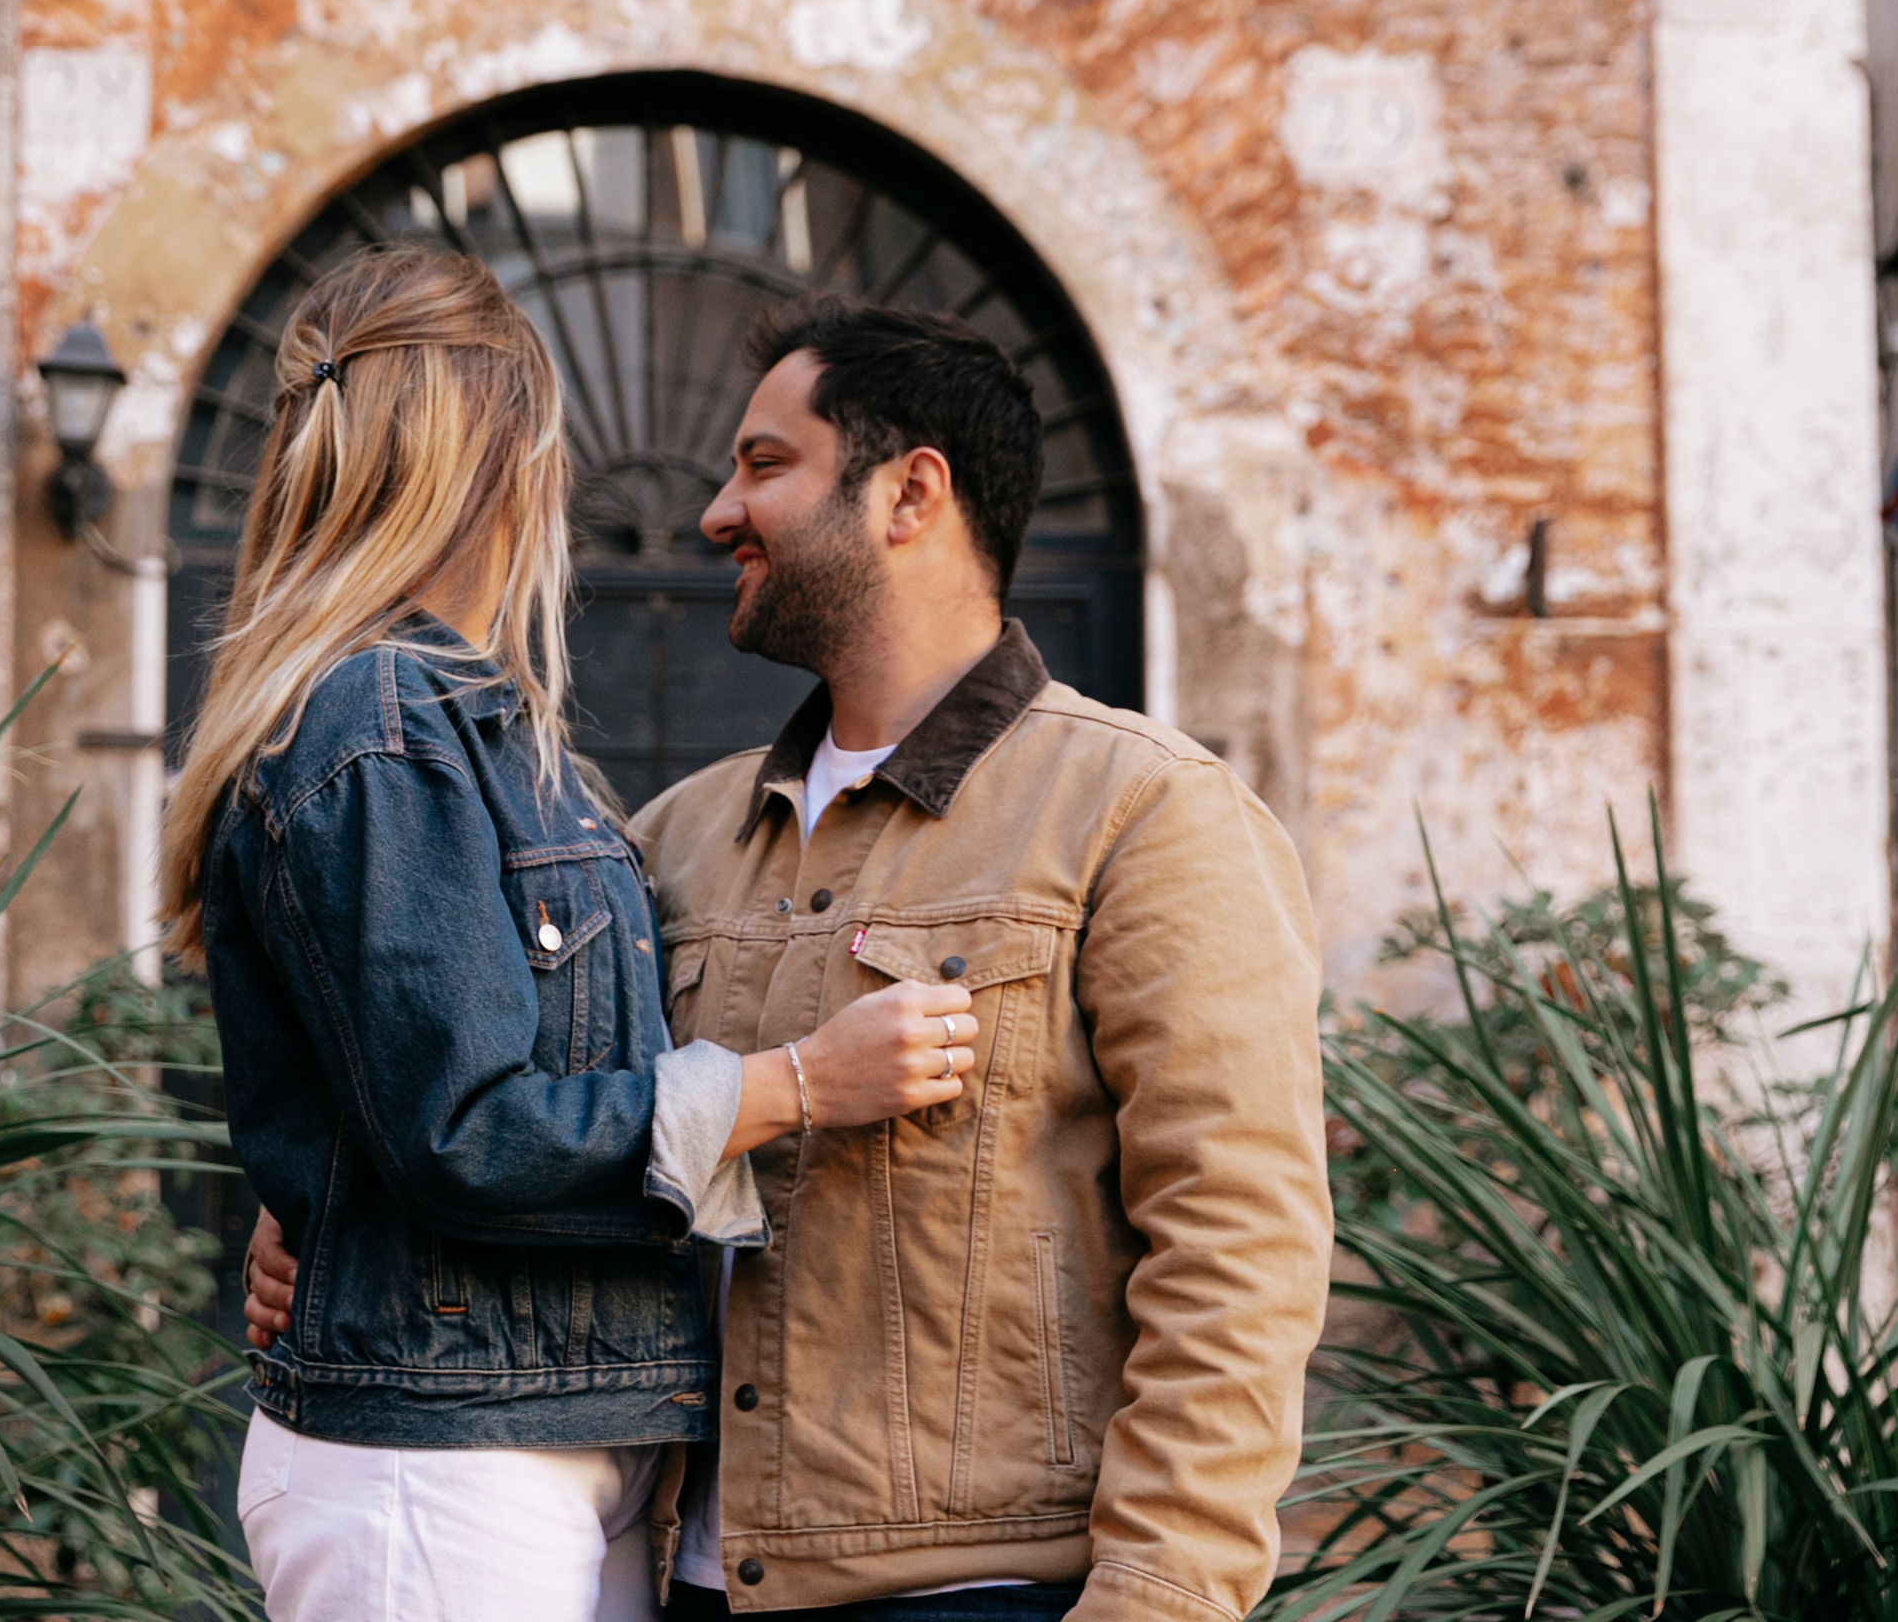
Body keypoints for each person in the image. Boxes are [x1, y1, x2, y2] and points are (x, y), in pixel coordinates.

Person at [248, 292, 1332, 1621]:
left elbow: (1237, 1250)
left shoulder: (1144, 811)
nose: (716, 514)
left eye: (765, 466)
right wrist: (329, 1204)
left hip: (979, 1593)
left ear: (910, 494)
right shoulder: (668, 838)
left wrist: (1159, 1598)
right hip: (683, 1575)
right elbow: (487, 1094)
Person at [163, 246, 983, 1622]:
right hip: (442, 1449)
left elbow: (411, 1075)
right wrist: (799, 1086)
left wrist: (327, 1197)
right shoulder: (383, 720)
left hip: (544, 1428)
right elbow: (465, 1126)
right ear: (502, 453)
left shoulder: (475, 730)